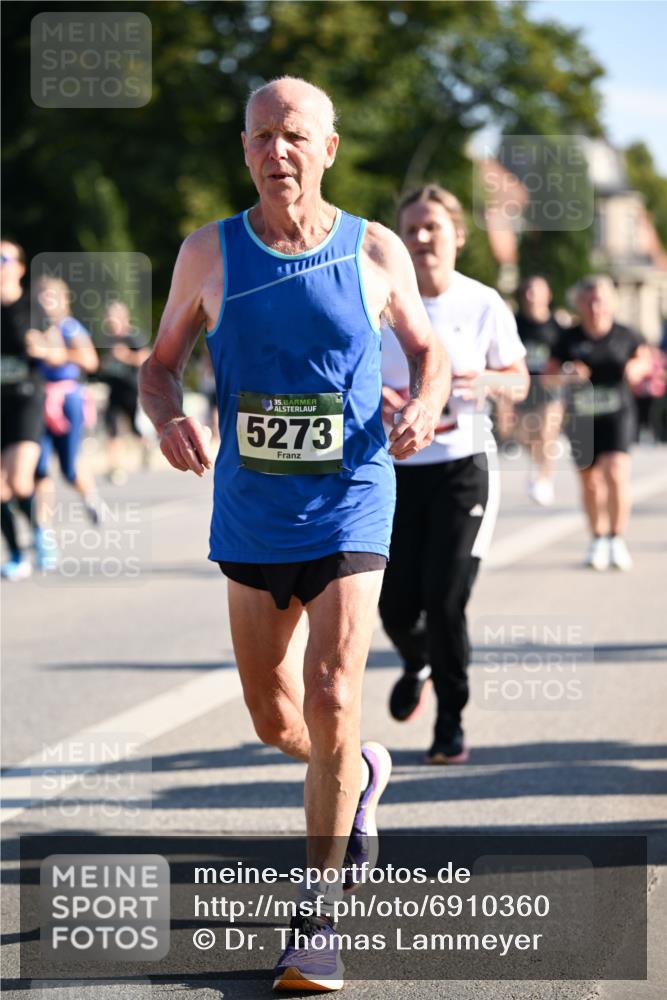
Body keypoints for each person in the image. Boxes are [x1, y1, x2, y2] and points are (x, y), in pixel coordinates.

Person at [139, 77, 448, 991]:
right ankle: (359, 774)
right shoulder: (209, 252)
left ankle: (317, 920)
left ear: (328, 147)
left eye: (295, 135)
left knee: (329, 693)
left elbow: (428, 352)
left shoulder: (374, 249)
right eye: (261, 136)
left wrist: (425, 403)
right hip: (250, 512)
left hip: (353, 496)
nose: (277, 151)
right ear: (244, 150)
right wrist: (168, 416)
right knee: (275, 718)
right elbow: (159, 367)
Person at [380, 185, 529, 764]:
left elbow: (518, 379)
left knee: (445, 600)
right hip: (394, 471)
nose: (421, 238)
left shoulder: (482, 302)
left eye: (433, 227)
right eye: (411, 229)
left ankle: (450, 721)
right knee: (394, 606)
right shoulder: (380, 302)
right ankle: (416, 658)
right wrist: (380, 397)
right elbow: (350, 373)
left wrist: (483, 381)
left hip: (462, 468)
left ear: (457, 236)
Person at [542, 275, 653, 571]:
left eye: (600, 301)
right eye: (589, 302)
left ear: (611, 303)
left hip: (617, 413)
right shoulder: (568, 338)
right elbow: (548, 377)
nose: (595, 308)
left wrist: (636, 368)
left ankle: (616, 538)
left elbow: (645, 359)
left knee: (616, 472)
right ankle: (598, 538)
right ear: (579, 304)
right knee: (590, 482)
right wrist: (567, 374)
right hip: (581, 417)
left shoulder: (625, 335)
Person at [0, 238, 62, 580]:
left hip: (26, 400)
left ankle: (40, 532)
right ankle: (15, 554)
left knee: (20, 481)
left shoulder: (31, 308)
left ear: (20, 268)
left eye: (3, 259)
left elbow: (59, 351)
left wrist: (44, 349)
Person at [32, 276, 100, 564]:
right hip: (37, 399)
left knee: (69, 468)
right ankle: (43, 534)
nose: (46, 302)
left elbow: (91, 361)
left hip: (67, 399)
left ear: (64, 299)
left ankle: (90, 497)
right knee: (39, 469)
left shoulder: (70, 328)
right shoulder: (31, 328)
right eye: (42, 296)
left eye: (52, 296)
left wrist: (58, 354)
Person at [513, 275, 565, 506]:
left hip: (550, 387)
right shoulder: (514, 324)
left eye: (536, 290)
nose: (531, 295)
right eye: (528, 290)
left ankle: (545, 479)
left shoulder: (557, 327)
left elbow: (567, 354)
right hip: (524, 387)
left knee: (546, 432)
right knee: (525, 436)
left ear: (548, 296)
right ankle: (539, 462)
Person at [100, 300, 151, 484]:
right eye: (109, 317)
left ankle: (146, 445)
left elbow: (146, 358)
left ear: (123, 318)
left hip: (131, 388)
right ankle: (115, 467)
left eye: (113, 317)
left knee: (132, 426)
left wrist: (126, 356)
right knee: (111, 425)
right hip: (114, 388)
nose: (110, 321)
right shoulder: (110, 339)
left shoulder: (134, 336)